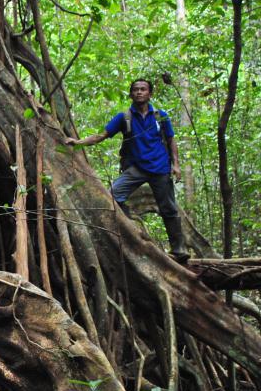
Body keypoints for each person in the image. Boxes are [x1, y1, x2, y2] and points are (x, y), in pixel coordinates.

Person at [64, 79, 190, 262]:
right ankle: (129, 225)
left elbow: (171, 140)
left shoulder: (160, 116)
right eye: (136, 90)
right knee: (112, 195)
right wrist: (78, 142)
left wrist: (176, 165)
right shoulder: (124, 117)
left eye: (143, 89)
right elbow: (102, 135)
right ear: (131, 94)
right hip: (136, 168)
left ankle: (179, 249)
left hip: (160, 168)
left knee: (168, 208)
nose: (139, 92)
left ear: (150, 94)